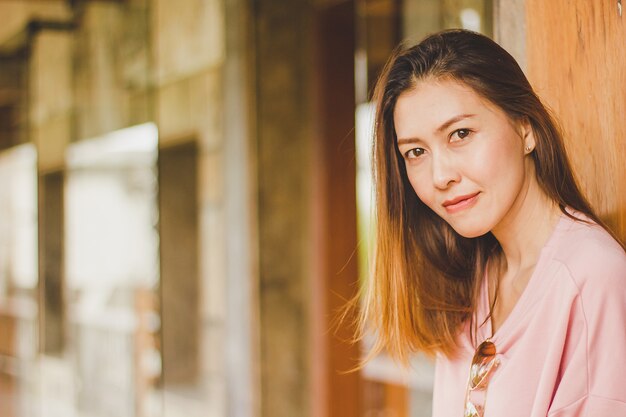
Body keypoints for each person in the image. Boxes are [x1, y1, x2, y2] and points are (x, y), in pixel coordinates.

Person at [356, 29, 626, 417]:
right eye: (415, 151)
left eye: (460, 134)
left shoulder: (591, 278)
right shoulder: (471, 276)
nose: (439, 175)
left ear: (525, 127)